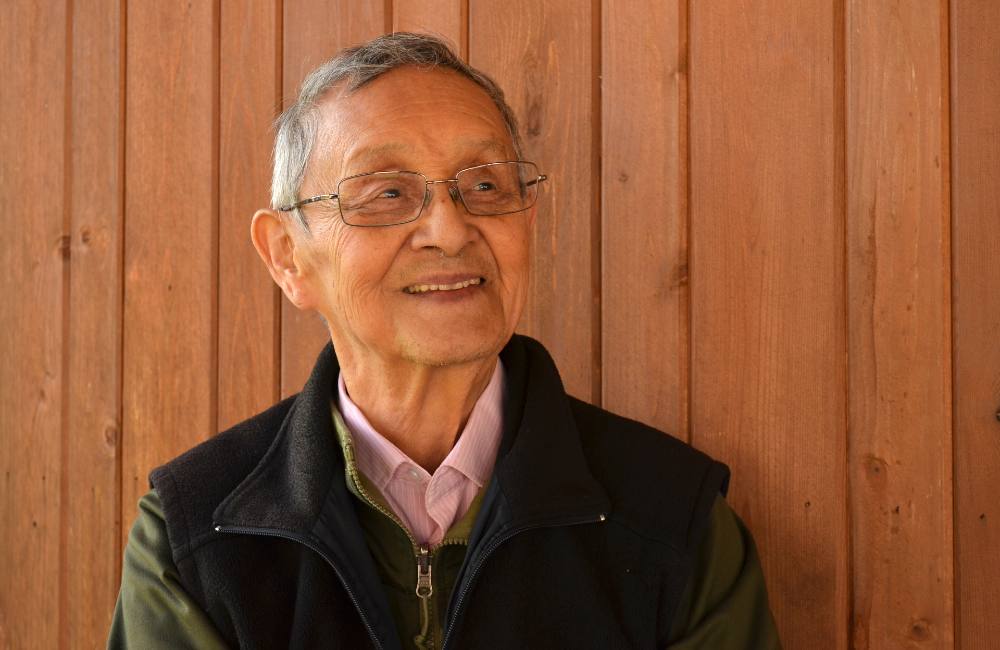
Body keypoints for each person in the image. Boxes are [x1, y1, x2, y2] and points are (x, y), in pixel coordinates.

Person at [108, 32, 780, 649]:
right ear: (288, 258)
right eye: (387, 193)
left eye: (484, 185)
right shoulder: (196, 539)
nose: (449, 230)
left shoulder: (673, 522)